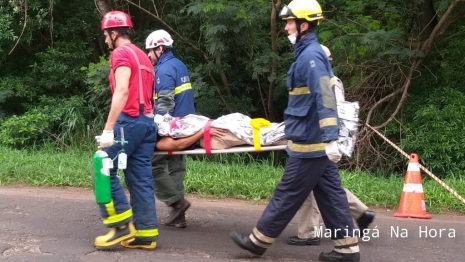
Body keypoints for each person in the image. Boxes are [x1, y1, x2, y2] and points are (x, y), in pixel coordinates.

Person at [229, 1, 361, 261]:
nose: (286, 27)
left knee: (288, 192)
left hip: (310, 143)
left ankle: (258, 241)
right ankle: (347, 249)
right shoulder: (306, 54)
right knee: (330, 194)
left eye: (289, 22)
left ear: (304, 24)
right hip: (311, 139)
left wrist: (331, 137)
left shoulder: (311, 57)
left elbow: (325, 96)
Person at [287, 45, 375, 246]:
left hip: (319, 139)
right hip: (325, 138)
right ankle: (361, 213)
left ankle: (309, 233)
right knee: (325, 183)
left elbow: (325, 111)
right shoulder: (332, 80)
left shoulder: (324, 81)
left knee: (308, 183)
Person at [96, 11, 159, 250]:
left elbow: (122, 91)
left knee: (102, 165)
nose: (105, 41)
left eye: (106, 35)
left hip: (129, 121)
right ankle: (146, 233)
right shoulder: (143, 55)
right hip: (147, 124)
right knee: (140, 178)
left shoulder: (120, 53)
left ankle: (120, 225)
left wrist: (108, 129)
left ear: (114, 33)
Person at [145, 29, 196, 228]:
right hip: (186, 125)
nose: (149, 55)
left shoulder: (163, 70)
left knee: (152, 164)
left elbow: (165, 105)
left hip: (173, 129)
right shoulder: (180, 65)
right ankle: (179, 216)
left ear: (160, 48)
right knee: (176, 168)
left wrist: (154, 127)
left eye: (150, 51)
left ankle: (177, 203)